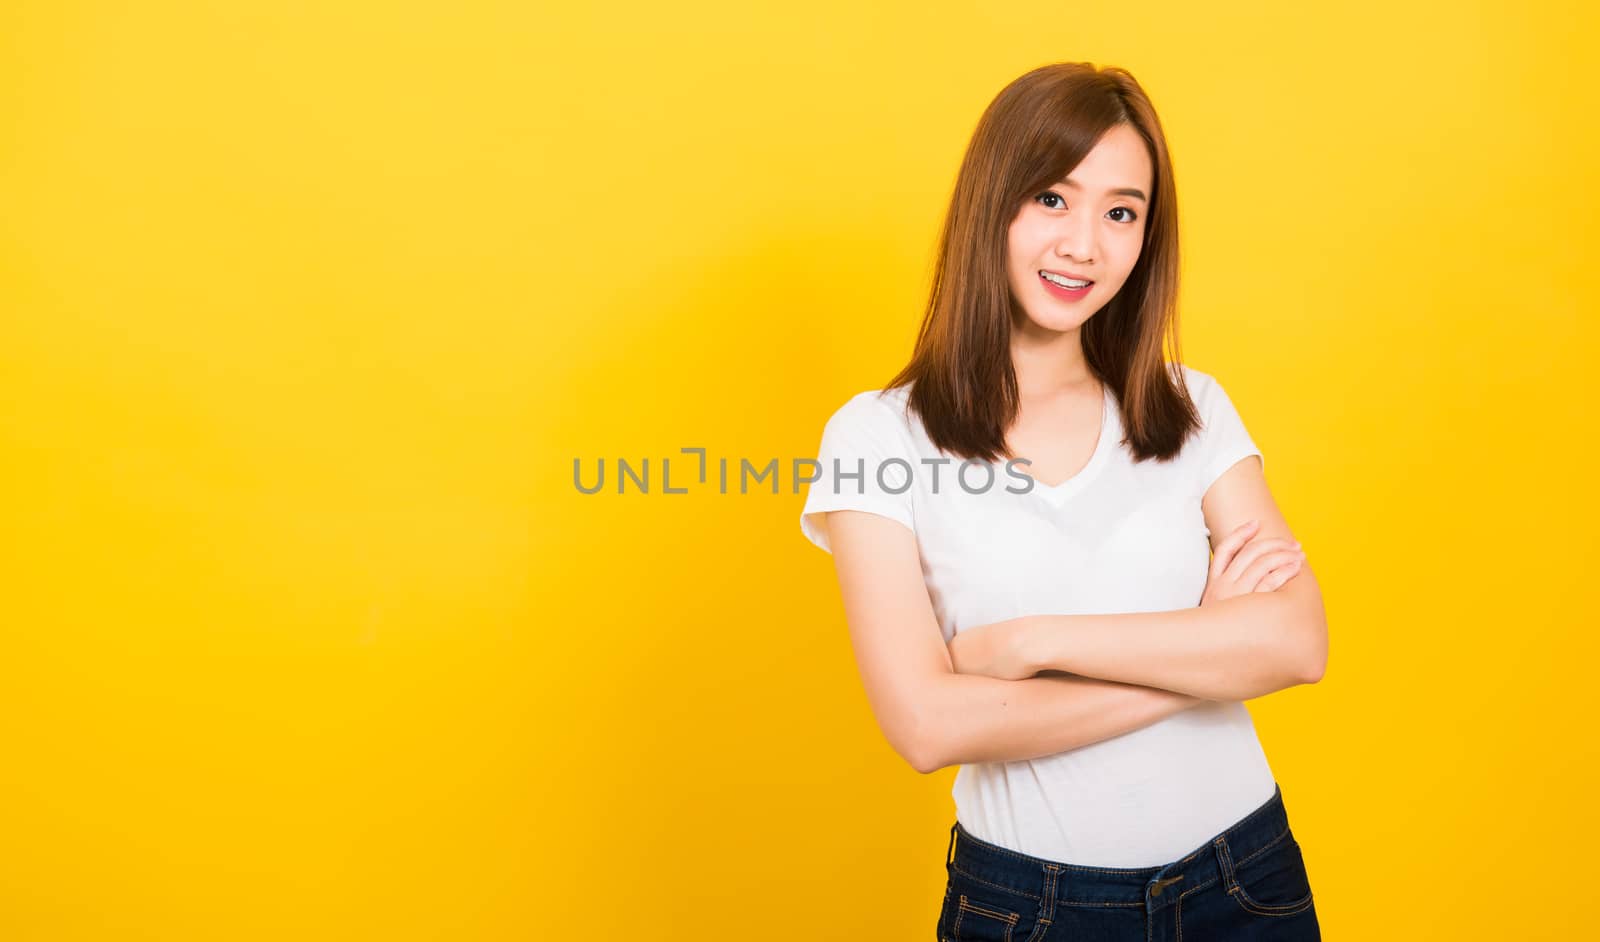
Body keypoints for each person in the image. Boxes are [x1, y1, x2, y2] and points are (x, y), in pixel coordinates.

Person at [797, 62, 1328, 941]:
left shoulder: (1188, 406)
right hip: (1035, 908)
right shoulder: (878, 437)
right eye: (1052, 199)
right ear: (991, 206)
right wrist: (1202, 655)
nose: (1085, 244)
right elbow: (927, 725)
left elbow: (1297, 641)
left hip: (1246, 879)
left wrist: (1030, 644)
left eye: (1121, 211)